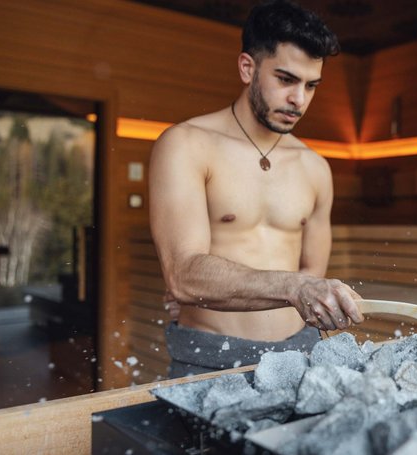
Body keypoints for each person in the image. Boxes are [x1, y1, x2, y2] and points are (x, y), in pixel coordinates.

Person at [149, 0, 363, 378]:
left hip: (300, 353)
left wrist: (321, 301)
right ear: (248, 68)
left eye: (311, 85)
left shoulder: (315, 168)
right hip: (211, 357)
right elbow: (183, 274)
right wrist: (294, 287)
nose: (299, 99)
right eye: (285, 79)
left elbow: (313, 275)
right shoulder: (186, 145)